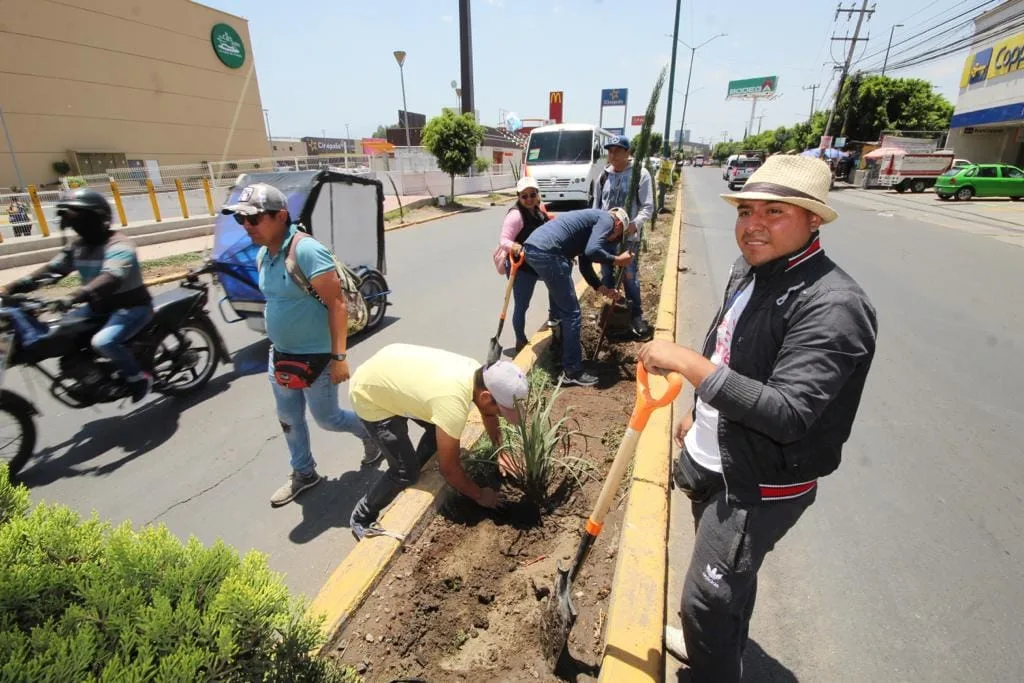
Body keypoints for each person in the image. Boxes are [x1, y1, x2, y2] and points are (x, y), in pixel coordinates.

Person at [636, 155, 878, 682]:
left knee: (706, 599)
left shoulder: (833, 304)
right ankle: (717, 647)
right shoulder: (752, 268)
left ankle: (711, 660)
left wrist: (689, 366)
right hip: (716, 457)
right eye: (746, 210)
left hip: (759, 482)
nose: (753, 225)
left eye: (774, 211)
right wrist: (700, 413)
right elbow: (730, 347)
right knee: (724, 592)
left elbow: (789, 413)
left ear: (814, 219)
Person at [220, 183, 382, 508]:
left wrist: (339, 357)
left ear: (280, 216)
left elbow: (336, 305)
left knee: (328, 419)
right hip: (279, 356)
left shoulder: (306, 251)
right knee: (289, 419)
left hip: (317, 358)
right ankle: (304, 473)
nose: (246, 227)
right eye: (241, 221)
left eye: (253, 219)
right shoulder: (264, 253)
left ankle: (372, 434)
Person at [348, 344, 528, 540]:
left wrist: (501, 450)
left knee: (436, 439)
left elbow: (488, 413)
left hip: (393, 371)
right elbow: (449, 469)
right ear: (486, 396)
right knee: (404, 472)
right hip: (369, 393)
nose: (500, 416)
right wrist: (480, 495)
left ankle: (416, 462)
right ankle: (362, 516)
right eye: (502, 411)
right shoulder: (452, 403)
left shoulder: (478, 375)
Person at [2, 189, 154, 402]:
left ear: (97, 218)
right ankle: (91, 373)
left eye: (81, 220)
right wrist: (11, 288)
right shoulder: (78, 247)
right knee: (60, 332)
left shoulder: (119, 244)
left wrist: (76, 295)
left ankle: (138, 378)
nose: (76, 226)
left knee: (103, 342)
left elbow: (112, 276)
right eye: (73, 221)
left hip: (131, 307)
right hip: (97, 308)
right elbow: (52, 270)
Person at [522, 207, 633, 387]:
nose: (612, 241)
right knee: (572, 313)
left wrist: (603, 289)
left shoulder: (591, 226)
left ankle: (559, 352)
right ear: (619, 225)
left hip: (536, 247)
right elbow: (592, 251)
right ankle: (572, 371)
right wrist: (617, 260)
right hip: (549, 252)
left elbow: (585, 266)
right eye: (616, 237)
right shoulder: (607, 220)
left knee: (560, 309)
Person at [592, 135, 654, 338]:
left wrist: (633, 225)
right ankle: (612, 314)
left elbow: (647, 206)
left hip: (628, 239)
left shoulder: (640, 174)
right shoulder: (604, 176)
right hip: (607, 239)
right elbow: (597, 206)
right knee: (607, 277)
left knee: (629, 278)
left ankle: (636, 316)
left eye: (618, 150)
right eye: (610, 151)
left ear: (628, 153)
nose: (613, 154)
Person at [493, 175, 555, 353]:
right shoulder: (516, 215)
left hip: (538, 263)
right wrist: (516, 246)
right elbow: (504, 239)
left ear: (537, 194)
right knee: (522, 304)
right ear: (518, 197)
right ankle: (520, 339)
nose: (529, 199)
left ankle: (555, 316)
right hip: (521, 267)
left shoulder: (538, 210)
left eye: (532, 194)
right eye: (524, 196)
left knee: (556, 283)